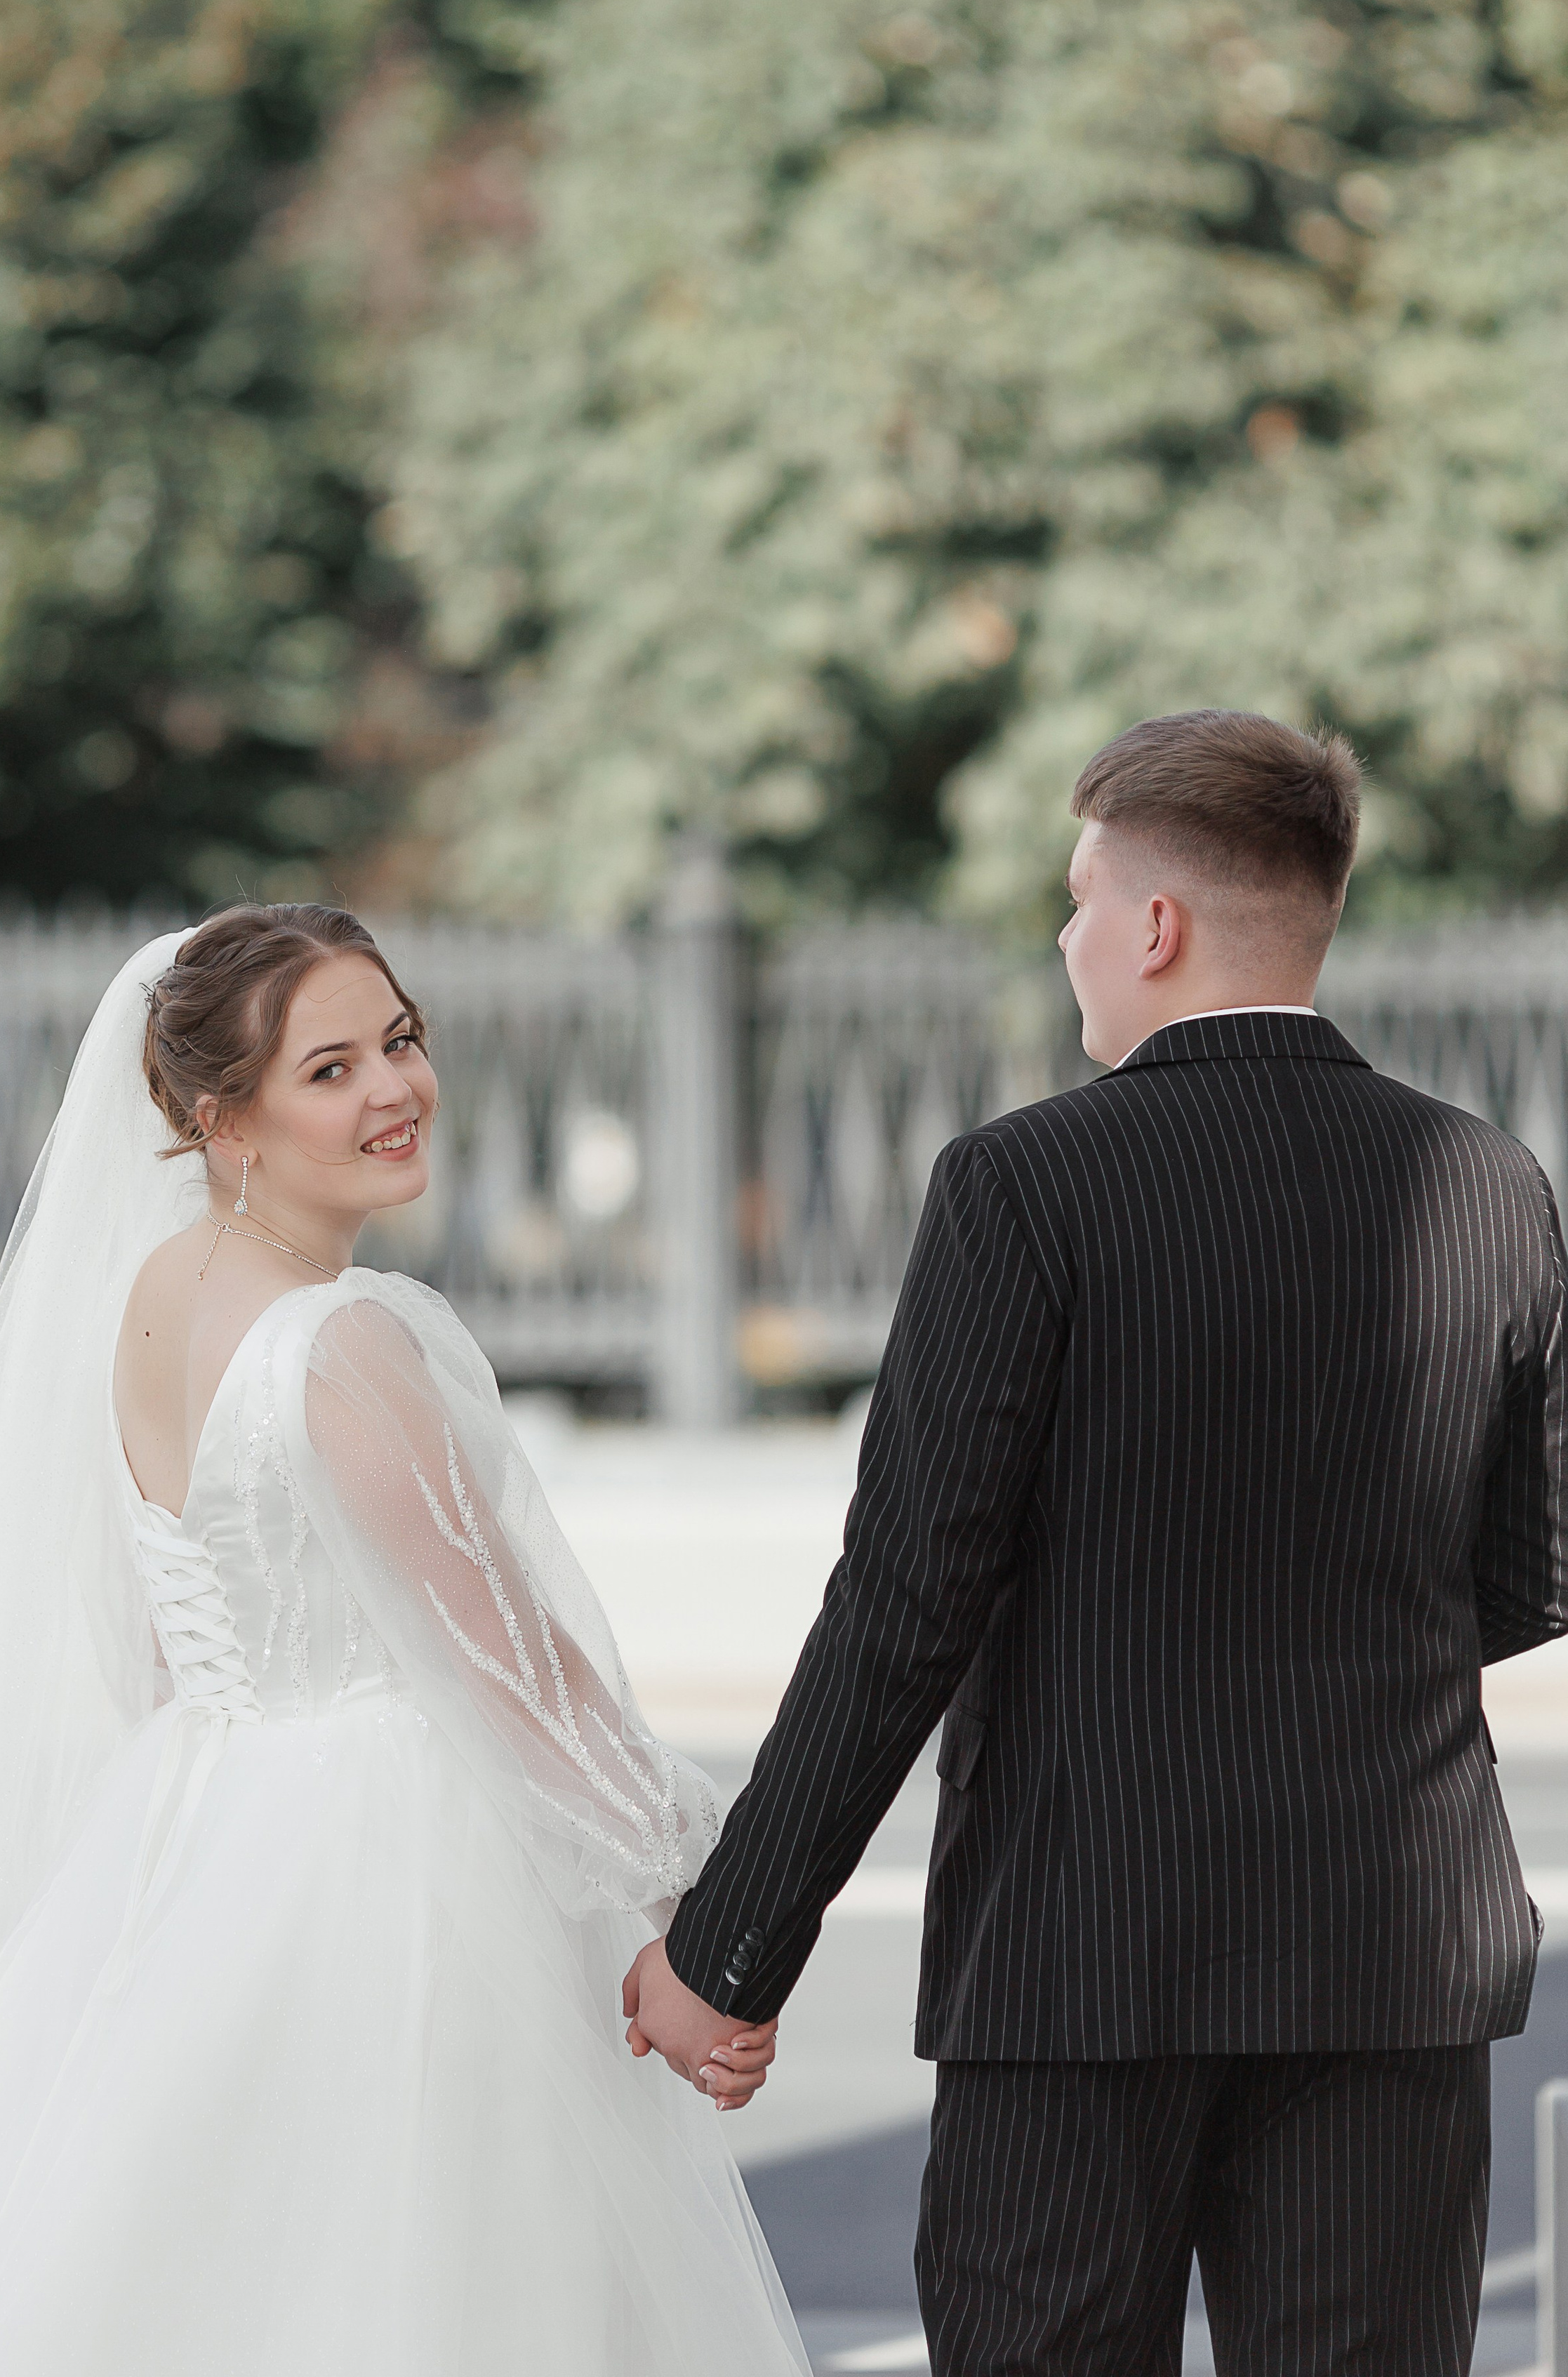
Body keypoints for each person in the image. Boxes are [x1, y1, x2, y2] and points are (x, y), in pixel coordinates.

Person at [626, 709, 1568, 2374]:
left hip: (1077, 1940)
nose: (1064, 940)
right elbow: (1536, 1560)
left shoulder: (1022, 1185)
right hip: (1387, 1951)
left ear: (1155, 925)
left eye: (1075, 901)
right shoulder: (1490, 1182)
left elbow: (907, 1598)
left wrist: (729, 1946)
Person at [0, 905, 803, 2377]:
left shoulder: (148, 1302)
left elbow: (150, 1641)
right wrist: (691, 1922)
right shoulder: (346, 1340)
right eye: (328, 1070)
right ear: (222, 1117)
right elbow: (514, 1667)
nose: (392, 1091)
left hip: (200, 1823)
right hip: (395, 1856)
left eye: (399, 1042)